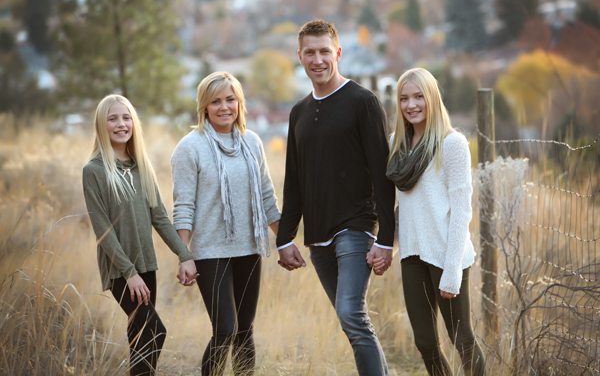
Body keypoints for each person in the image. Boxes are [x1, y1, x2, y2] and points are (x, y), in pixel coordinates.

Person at [276, 19, 395, 376]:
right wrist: (285, 238)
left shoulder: (363, 102)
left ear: (338, 53)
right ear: (300, 57)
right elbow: (294, 181)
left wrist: (387, 240)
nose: (318, 59)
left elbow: (383, 175)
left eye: (325, 51)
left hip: (356, 227)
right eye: (310, 52)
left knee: (351, 314)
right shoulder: (297, 112)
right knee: (354, 324)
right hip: (318, 235)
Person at [373, 68, 486, 375]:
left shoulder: (452, 144)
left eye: (419, 96)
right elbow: (405, 209)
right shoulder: (396, 143)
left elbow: (462, 211)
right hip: (413, 256)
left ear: (432, 98)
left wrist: (451, 272)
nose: (411, 105)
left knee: (461, 339)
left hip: (447, 256)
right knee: (425, 343)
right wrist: (388, 246)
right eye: (404, 98)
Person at [171, 71, 281, 376]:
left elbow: (267, 198)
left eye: (230, 99)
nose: (224, 107)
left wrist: (284, 242)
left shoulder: (253, 142)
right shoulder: (189, 148)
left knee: (245, 329)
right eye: (215, 101)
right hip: (210, 253)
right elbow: (183, 207)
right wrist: (184, 255)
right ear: (204, 107)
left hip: (249, 248)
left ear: (240, 103)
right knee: (225, 328)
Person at [82, 94, 198, 376]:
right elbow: (103, 230)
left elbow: (159, 217)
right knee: (155, 331)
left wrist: (185, 256)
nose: (121, 124)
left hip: (146, 265)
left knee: (141, 339)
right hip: (121, 270)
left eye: (126, 117)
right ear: (101, 125)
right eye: (113, 118)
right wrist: (129, 272)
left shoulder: (141, 166)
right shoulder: (94, 171)